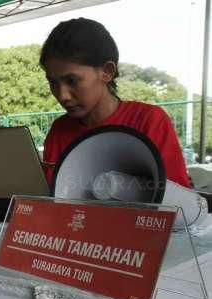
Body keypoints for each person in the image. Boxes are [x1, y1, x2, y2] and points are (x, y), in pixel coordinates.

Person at [40, 18, 190, 187]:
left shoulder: (150, 121)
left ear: (107, 72)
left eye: (72, 80)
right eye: (53, 82)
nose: (62, 95)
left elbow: (177, 202)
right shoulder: (58, 130)